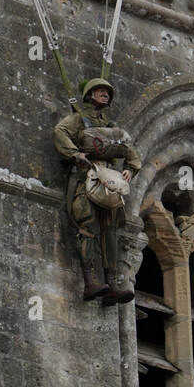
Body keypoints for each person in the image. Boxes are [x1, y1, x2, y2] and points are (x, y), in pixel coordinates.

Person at [52, 78, 141, 303]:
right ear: (90, 94)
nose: (105, 95)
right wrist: (76, 155)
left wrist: (131, 168)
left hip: (110, 181)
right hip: (88, 177)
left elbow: (128, 148)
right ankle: (90, 281)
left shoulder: (111, 127)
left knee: (110, 229)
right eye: (100, 91)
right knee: (88, 226)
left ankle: (112, 283)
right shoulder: (78, 119)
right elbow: (60, 131)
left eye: (107, 92)